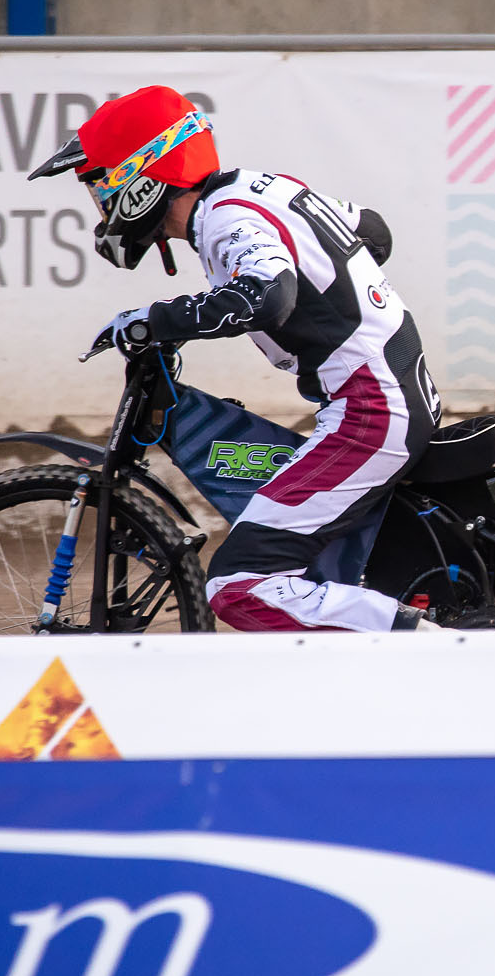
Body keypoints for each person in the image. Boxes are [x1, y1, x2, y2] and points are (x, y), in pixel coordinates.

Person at [31, 85, 444, 634]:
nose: (101, 209)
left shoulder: (225, 220)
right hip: (385, 398)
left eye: (100, 188)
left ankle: (437, 646)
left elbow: (269, 295)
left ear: (141, 178)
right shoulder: (254, 189)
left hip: (370, 414)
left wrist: (154, 320)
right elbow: (372, 231)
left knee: (238, 587)